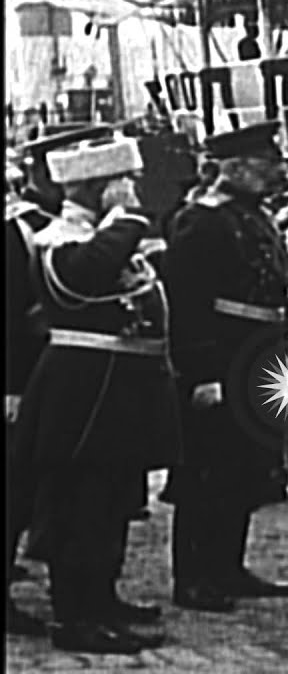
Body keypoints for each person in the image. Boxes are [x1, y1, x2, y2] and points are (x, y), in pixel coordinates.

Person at [13, 135, 181, 653]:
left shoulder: (102, 237)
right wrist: (127, 220)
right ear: (94, 187)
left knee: (113, 500)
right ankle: (75, 615)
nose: (130, 190)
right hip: (81, 385)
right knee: (80, 502)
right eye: (120, 182)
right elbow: (79, 283)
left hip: (117, 384)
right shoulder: (58, 237)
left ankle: (102, 597)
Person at [163, 122, 288, 613]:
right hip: (222, 355)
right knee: (205, 472)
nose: (274, 175)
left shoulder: (252, 216)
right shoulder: (200, 221)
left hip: (259, 350)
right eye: (266, 166)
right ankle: (193, 577)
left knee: (246, 466)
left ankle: (228, 566)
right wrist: (204, 372)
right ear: (236, 168)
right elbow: (186, 305)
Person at [5, 124, 112, 637]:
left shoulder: (54, 227)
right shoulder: (21, 229)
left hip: (53, 375)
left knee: (42, 488)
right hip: (23, 378)